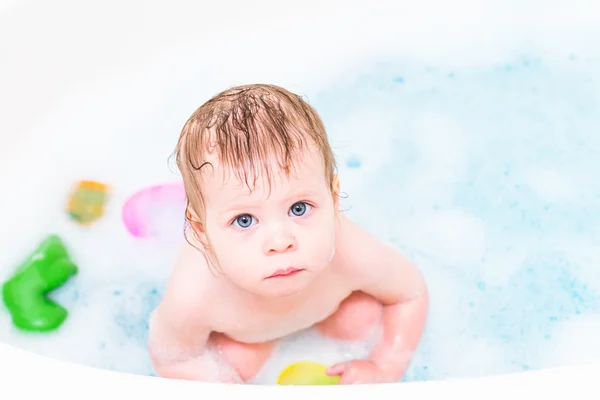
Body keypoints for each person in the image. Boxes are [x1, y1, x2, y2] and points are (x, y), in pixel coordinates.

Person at [147, 83, 429, 384]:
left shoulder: (353, 254)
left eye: (299, 208)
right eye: (244, 220)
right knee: (238, 362)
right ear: (201, 231)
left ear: (333, 200)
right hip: (248, 342)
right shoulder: (195, 296)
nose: (280, 242)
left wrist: (384, 365)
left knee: (360, 320)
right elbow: (174, 356)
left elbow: (409, 294)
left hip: (328, 318)